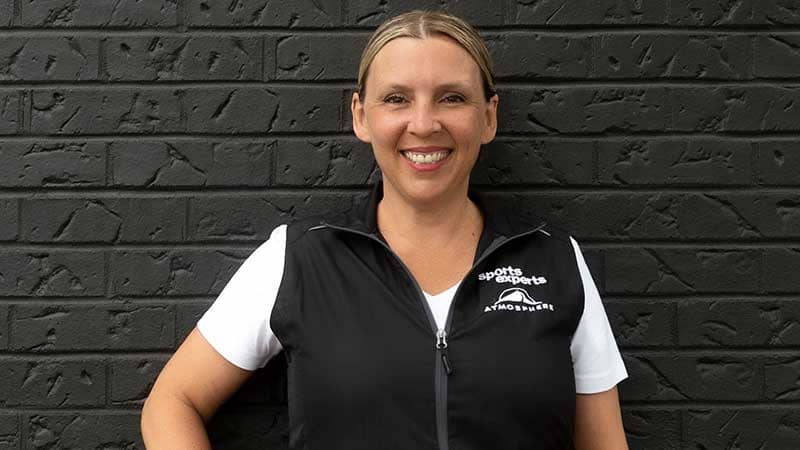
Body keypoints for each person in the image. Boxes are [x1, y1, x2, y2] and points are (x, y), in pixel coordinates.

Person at [141, 10, 629, 450]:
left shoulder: (554, 260)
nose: (424, 123)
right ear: (361, 116)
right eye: (397, 99)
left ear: (488, 117)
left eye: (452, 98)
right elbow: (172, 402)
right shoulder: (298, 258)